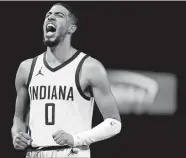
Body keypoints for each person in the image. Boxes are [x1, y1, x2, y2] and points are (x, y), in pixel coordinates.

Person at [11, 3, 121, 158]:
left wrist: (76, 139)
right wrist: (17, 135)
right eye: (48, 14)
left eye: (59, 15)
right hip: (35, 153)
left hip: (72, 153)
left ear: (71, 29)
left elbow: (114, 123)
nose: (50, 16)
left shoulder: (89, 67)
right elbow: (18, 118)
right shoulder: (26, 68)